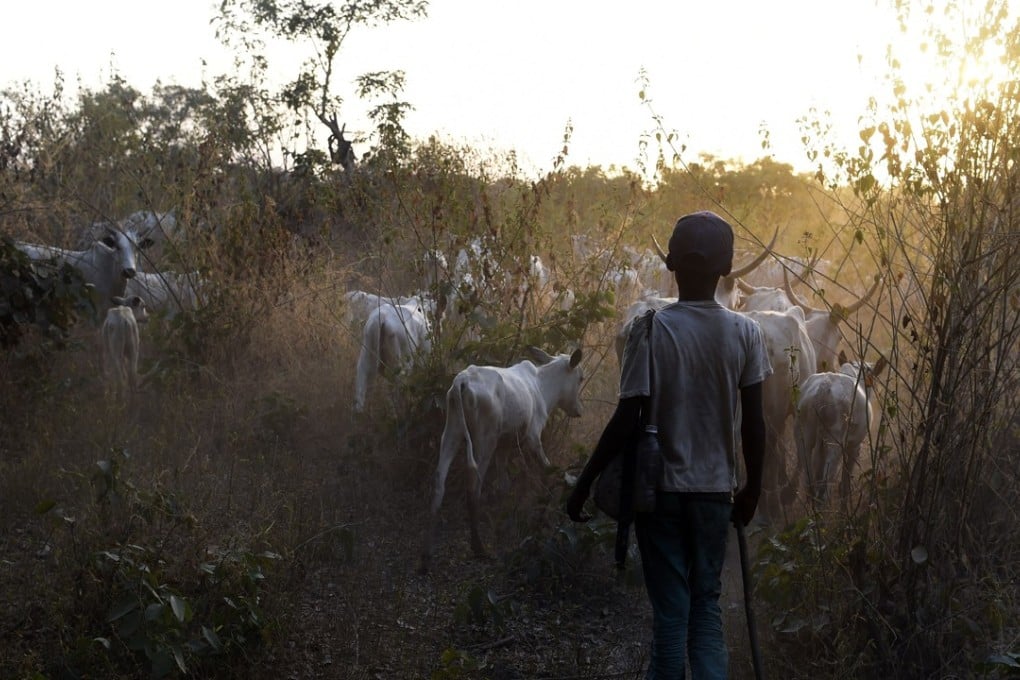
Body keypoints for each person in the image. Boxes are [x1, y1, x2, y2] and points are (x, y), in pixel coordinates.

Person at [567, 210, 771, 679]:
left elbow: (626, 418)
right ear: (726, 270)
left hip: (659, 497)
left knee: (671, 617)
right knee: (706, 610)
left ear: (671, 266)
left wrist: (584, 485)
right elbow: (754, 425)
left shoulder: (651, 328)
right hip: (715, 497)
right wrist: (753, 489)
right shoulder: (746, 333)